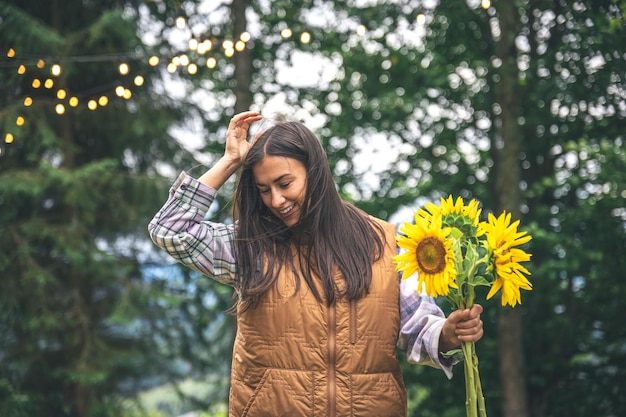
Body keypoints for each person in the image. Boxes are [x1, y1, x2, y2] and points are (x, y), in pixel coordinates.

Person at [148, 111, 483, 417]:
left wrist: (448, 334)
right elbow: (170, 230)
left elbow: (418, 329)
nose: (276, 200)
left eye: (285, 183)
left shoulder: (386, 243)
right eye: (264, 190)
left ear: (316, 172)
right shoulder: (251, 247)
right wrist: (231, 161)